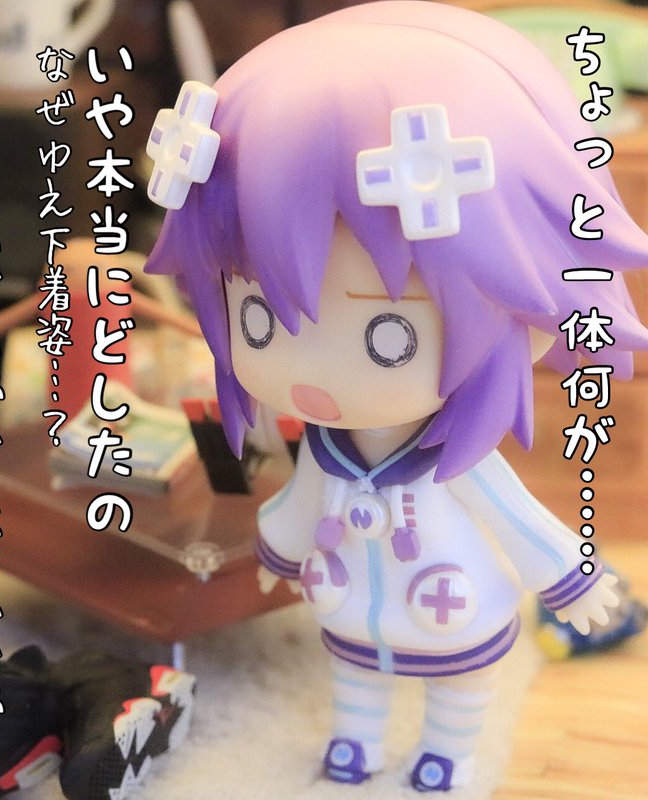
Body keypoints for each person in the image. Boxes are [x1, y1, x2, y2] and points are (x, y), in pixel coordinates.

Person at [145, 2, 648, 791]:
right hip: (352, 605)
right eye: (257, 318)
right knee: (355, 675)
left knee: (459, 688)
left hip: (453, 611)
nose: (307, 372)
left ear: (534, 305)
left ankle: (446, 751)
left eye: (390, 334)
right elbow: (300, 503)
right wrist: (278, 552)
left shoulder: (454, 463)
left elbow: (519, 520)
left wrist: (572, 584)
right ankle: (355, 743)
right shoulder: (328, 450)